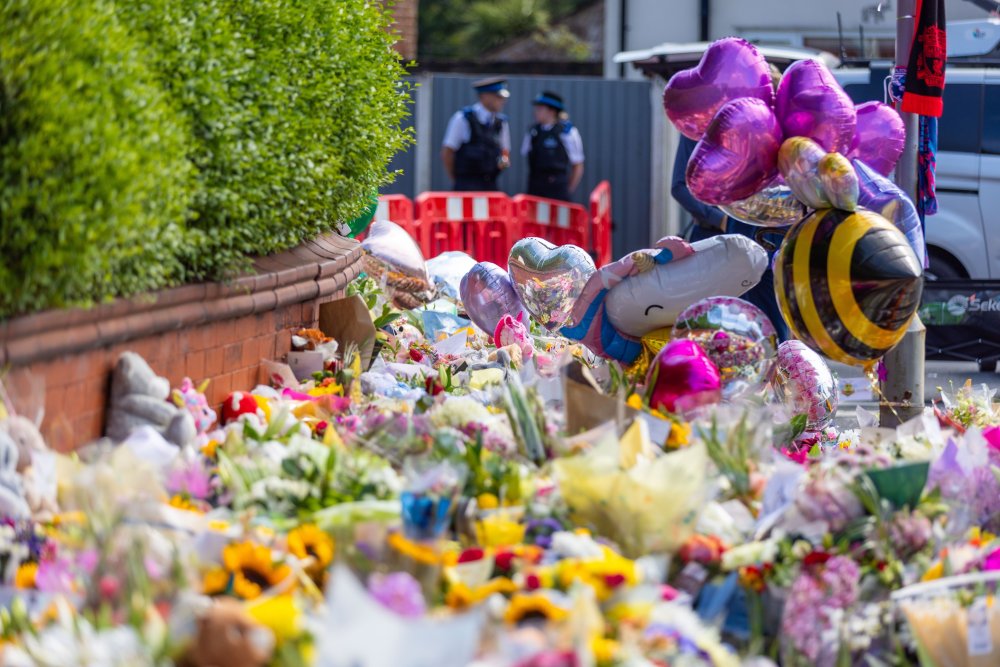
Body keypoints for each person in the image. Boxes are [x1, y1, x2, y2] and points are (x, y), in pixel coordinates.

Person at [441, 77, 512, 191]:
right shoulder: (463, 118)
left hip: (490, 184)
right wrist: (456, 179)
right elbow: (447, 152)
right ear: (484, 96)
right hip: (466, 185)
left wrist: (504, 160)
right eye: (498, 97)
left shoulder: (501, 122)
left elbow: (505, 150)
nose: (502, 101)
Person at [520, 91, 585, 201]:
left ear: (552, 111)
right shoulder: (533, 131)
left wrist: (567, 190)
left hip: (557, 191)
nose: (536, 112)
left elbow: (578, 165)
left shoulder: (567, 132)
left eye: (540, 109)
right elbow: (525, 152)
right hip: (535, 190)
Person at [671, 134, 728, 243]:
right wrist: (719, 219)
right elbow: (679, 187)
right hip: (709, 235)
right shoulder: (695, 130)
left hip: (750, 235)